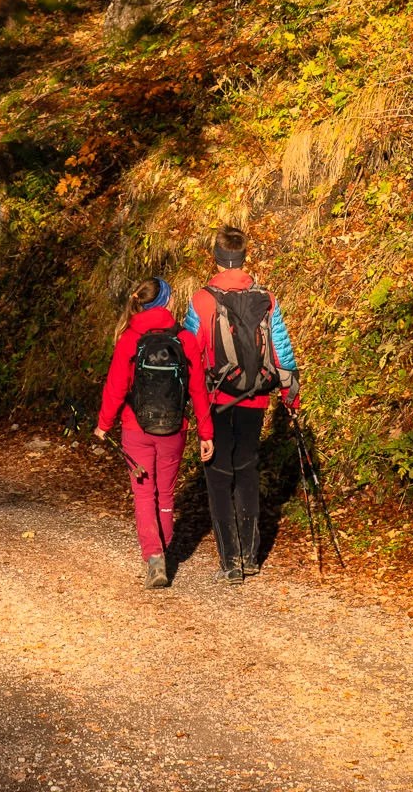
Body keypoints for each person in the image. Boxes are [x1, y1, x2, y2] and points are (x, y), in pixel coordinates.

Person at [183, 225, 299, 585]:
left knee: (218, 475)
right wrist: (290, 395)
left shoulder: (201, 300)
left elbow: (190, 352)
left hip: (217, 398)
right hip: (256, 395)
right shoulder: (266, 298)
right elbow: (281, 346)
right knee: (247, 469)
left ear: (215, 257)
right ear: (244, 256)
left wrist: (189, 400)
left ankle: (230, 561)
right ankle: (251, 557)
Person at [95, 276, 214, 590]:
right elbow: (198, 390)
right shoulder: (185, 340)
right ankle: (165, 547)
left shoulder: (129, 340)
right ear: (167, 302)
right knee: (166, 493)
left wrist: (104, 423)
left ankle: (154, 556)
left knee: (144, 493)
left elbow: (116, 386)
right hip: (173, 428)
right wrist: (206, 432)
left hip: (136, 428)